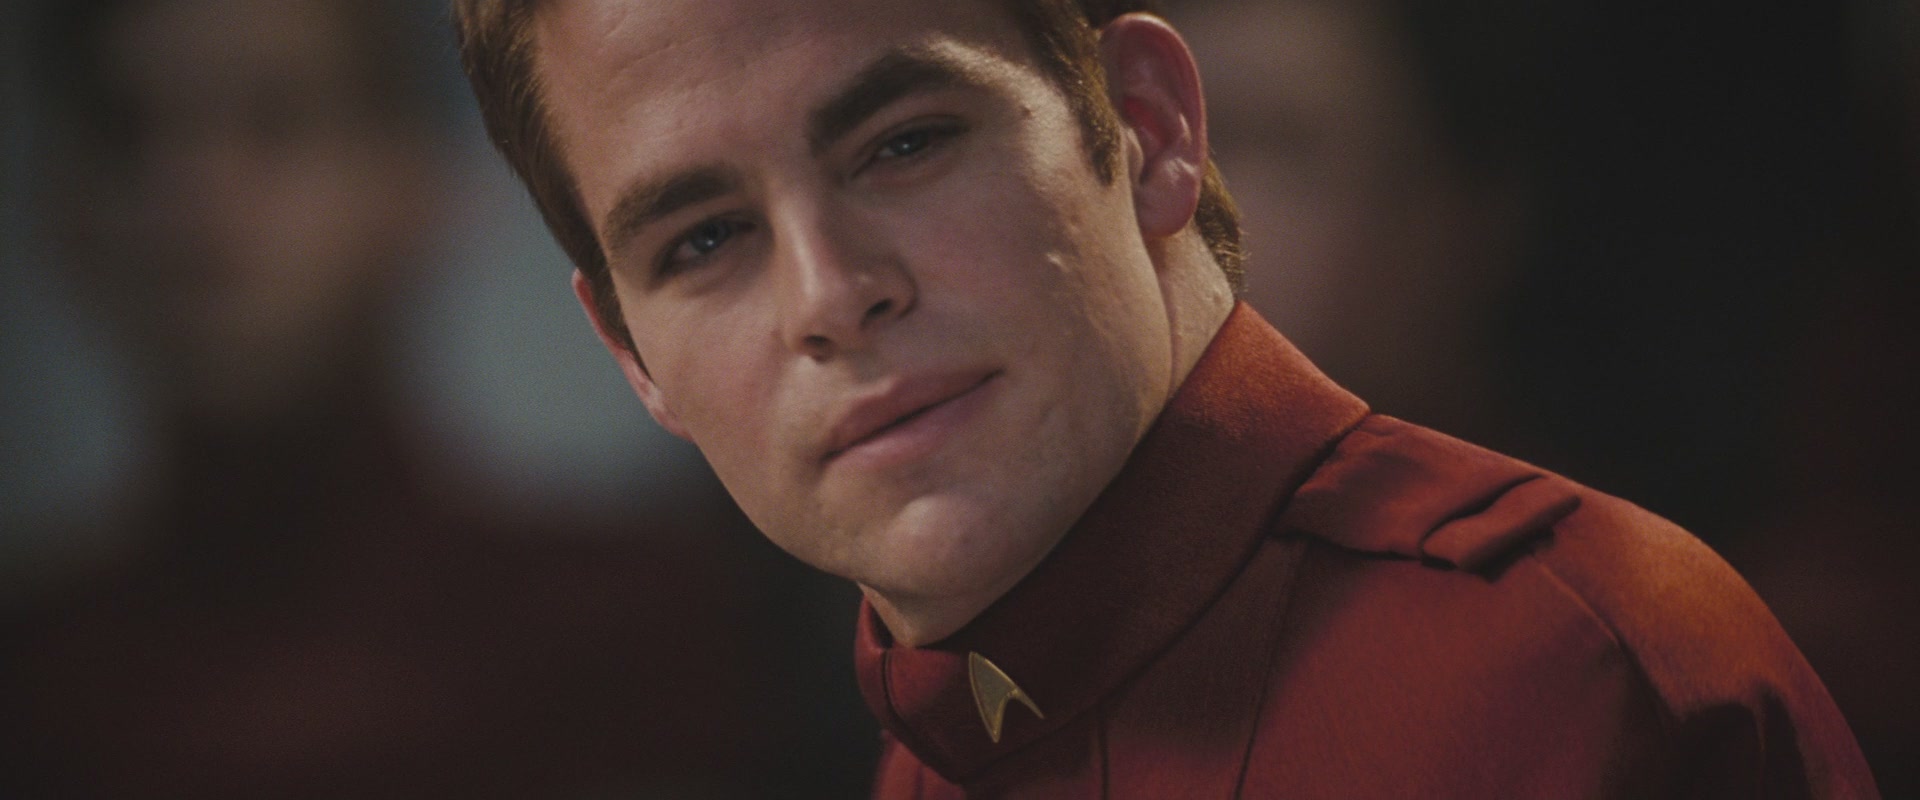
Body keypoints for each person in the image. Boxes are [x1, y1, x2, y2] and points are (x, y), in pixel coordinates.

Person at [453, 0, 1881, 795]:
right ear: (630, 355)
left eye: (904, 143)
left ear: (1147, 128)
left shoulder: (1560, 671)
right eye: (704, 239)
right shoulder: (937, 754)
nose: (829, 294)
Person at [1, 0, 851, 795]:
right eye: (128, 132)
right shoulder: (35, 687)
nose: (192, 193)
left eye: (275, 123)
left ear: (421, 182)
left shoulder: (650, 633)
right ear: (60, 210)